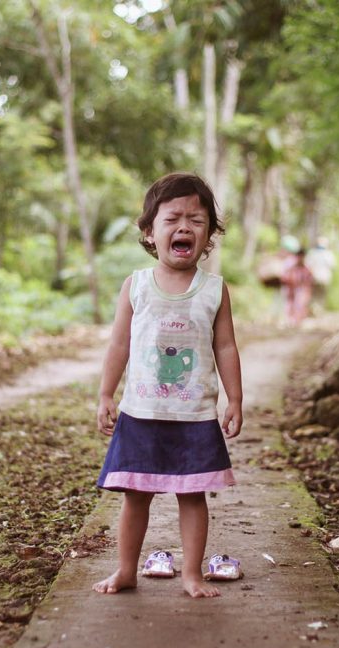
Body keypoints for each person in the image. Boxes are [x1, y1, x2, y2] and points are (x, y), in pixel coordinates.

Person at [93, 172, 243, 599]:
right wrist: (106, 393)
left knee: (193, 497)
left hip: (194, 415)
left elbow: (226, 347)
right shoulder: (136, 286)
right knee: (135, 497)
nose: (184, 227)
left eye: (196, 220)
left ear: (210, 234)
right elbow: (119, 344)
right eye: (172, 218)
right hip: (140, 412)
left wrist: (235, 398)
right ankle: (126, 570)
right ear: (149, 232)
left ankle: (191, 574)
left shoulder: (213, 290)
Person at [280, 247, 314, 327]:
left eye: (302, 256)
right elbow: (285, 279)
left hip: (301, 291)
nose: (300, 258)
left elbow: (309, 281)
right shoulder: (291, 268)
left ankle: (298, 322)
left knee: (300, 306)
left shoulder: (306, 269)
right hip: (291, 290)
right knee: (290, 306)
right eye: (299, 256)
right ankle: (290, 321)